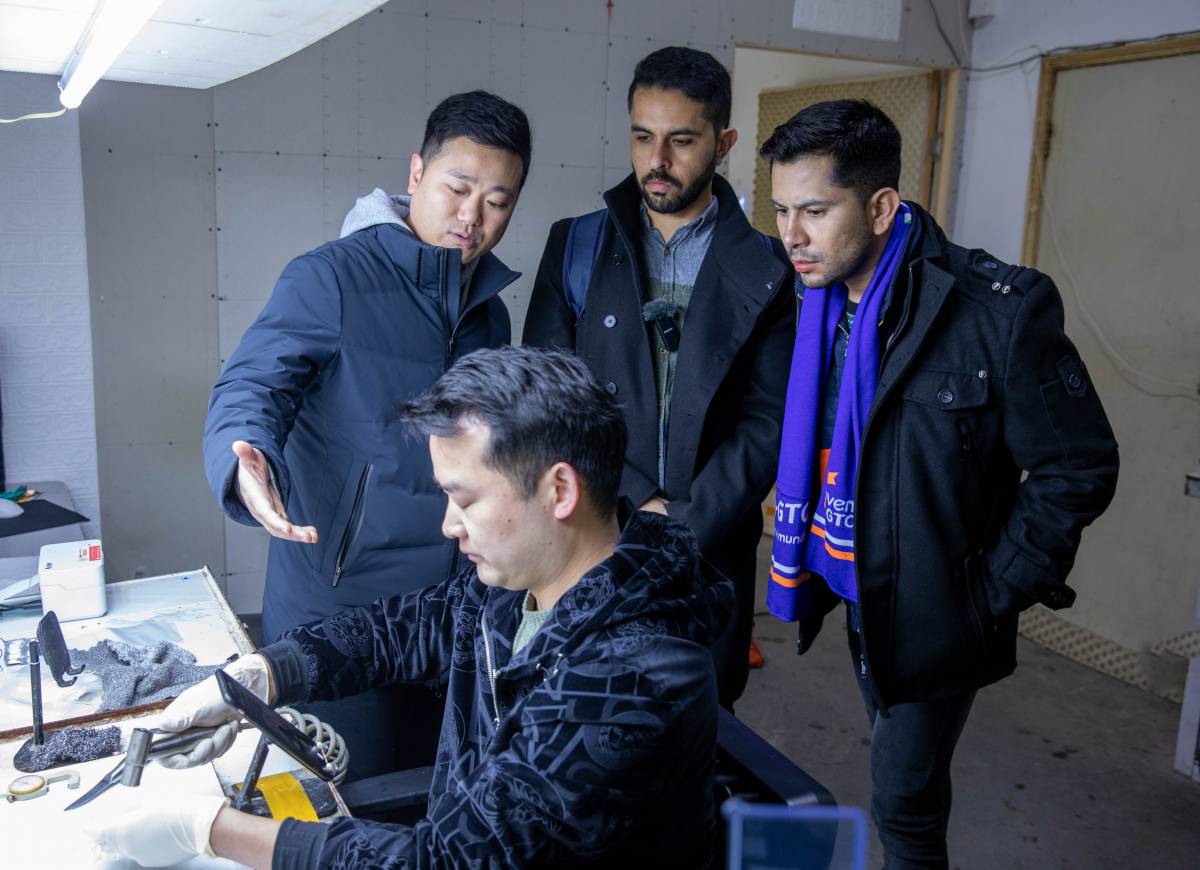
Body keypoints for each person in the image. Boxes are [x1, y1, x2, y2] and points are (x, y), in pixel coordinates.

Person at [89, 345, 732, 869]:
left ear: (558, 489)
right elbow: (398, 630)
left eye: (466, 498)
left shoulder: (631, 678)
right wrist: (257, 679)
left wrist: (207, 829)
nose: (449, 524)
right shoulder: (521, 583)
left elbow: (451, 863)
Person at [761, 99, 1119, 868]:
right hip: (853, 578)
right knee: (899, 775)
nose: (791, 236)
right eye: (782, 210)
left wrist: (987, 593)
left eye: (815, 211)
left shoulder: (999, 310)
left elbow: (1077, 463)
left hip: (935, 606)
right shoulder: (810, 297)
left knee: (904, 804)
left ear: (883, 206)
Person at [201, 91, 531, 779]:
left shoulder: (488, 316)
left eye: (497, 201)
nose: (472, 217)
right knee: (343, 799)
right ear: (416, 174)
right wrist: (245, 458)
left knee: (428, 793)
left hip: (444, 613)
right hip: (337, 605)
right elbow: (252, 382)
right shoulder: (331, 278)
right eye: (457, 188)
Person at [523, 47, 793, 708]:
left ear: (724, 142)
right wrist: (638, 499)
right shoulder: (576, 245)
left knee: (698, 720)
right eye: (643, 137)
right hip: (595, 531)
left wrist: (689, 520)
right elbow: (547, 393)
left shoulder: (770, 267)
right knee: (580, 712)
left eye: (681, 140)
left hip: (711, 545)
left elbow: (771, 420)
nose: (657, 161)